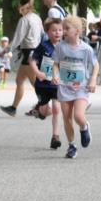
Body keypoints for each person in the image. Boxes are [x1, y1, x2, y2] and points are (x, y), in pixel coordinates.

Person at [52, 16, 99, 159]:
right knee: (66, 118)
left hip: (81, 87)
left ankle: (84, 127)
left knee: (78, 116)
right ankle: (72, 145)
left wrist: (93, 80)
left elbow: (95, 65)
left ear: (77, 31)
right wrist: (55, 75)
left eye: (67, 28)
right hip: (65, 87)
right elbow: (55, 63)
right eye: (63, 28)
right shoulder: (60, 47)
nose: (63, 31)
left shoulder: (86, 49)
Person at [0, 0, 42, 116]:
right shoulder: (37, 18)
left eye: (20, 5)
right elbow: (42, 33)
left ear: (23, 6)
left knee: (36, 84)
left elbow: (18, 38)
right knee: (19, 80)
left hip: (29, 53)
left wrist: (7, 49)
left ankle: (47, 105)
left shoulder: (24, 20)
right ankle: (13, 108)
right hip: (32, 52)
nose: (18, 7)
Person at [32, 17, 63, 149]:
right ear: (47, 32)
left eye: (60, 30)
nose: (57, 33)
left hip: (56, 84)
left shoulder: (65, 46)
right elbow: (32, 61)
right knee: (44, 112)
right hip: (42, 84)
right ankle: (39, 109)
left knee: (57, 108)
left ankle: (55, 137)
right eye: (54, 30)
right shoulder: (43, 46)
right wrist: (38, 73)